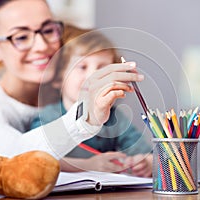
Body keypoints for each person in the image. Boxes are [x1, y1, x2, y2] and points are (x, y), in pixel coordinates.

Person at [0, 0, 144, 165]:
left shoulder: (69, 91)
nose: (41, 46)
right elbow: (14, 159)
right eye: (21, 37)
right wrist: (85, 124)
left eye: (48, 30)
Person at [30, 25, 152, 177]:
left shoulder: (116, 119)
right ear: (59, 78)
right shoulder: (47, 117)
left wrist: (145, 163)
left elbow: (148, 155)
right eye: (82, 67)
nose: (93, 77)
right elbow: (34, 158)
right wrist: (88, 166)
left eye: (102, 69)